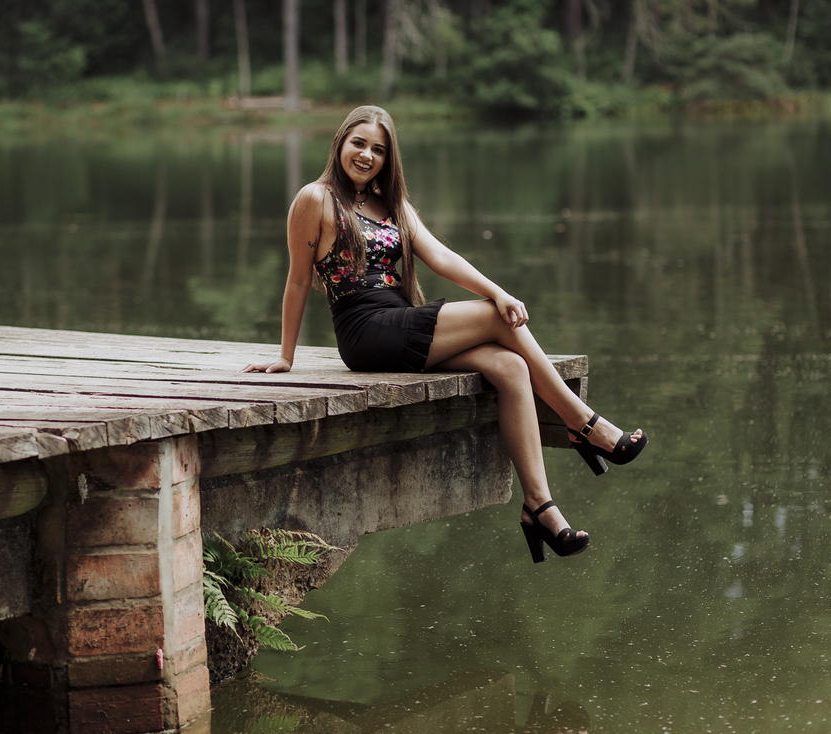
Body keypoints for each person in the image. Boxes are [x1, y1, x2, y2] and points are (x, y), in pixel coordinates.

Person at [241, 105, 645, 562]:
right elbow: (297, 280)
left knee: (510, 366)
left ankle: (540, 506)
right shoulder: (314, 199)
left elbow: (442, 257)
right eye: (359, 143)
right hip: (364, 332)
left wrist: (497, 290)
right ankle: (582, 423)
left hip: (401, 323)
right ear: (339, 144)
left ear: (388, 159)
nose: (367, 155)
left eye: (378, 149)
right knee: (497, 317)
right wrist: (286, 357)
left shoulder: (391, 205)